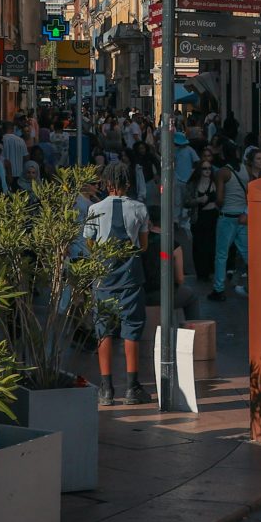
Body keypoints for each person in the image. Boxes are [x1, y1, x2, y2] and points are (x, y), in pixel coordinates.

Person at [82, 164, 154, 405]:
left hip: (103, 277)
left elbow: (89, 243)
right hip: (130, 276)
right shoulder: (139, 208)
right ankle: (132, 387)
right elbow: (143, 245)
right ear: (128, 184)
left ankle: (106, 388)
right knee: (131, 329)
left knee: (103, 330)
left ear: (105, 183)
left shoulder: (94, 208)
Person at [213, 145, 257, 297]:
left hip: (227, 216)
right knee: (248, 254)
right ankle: (257, 284)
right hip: (243, 216)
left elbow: (219, 198)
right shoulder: (247, 170)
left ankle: (218, 289)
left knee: (221, 255)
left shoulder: (222, 172)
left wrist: (219, 205)